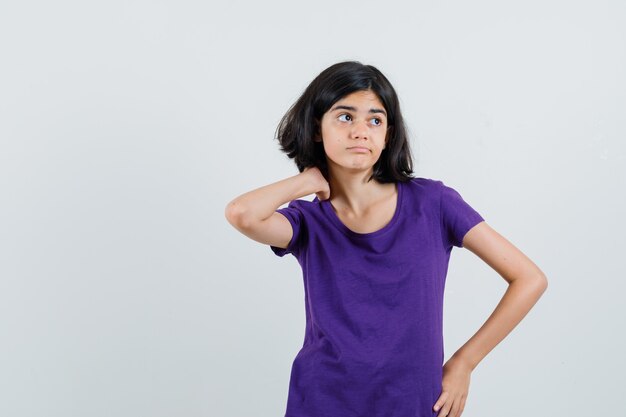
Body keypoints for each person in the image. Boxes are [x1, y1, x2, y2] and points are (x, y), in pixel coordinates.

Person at [224, 61, 548, 417]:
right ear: (317, 128)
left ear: (388, 134)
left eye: (375, 120)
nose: (361, 131)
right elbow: (242, 213)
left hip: (413, 403)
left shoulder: (434, 204)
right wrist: (307, 181)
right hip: (321, 401)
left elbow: (529, 278)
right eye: (345, 117)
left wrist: (464, 363)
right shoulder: (308, 221)